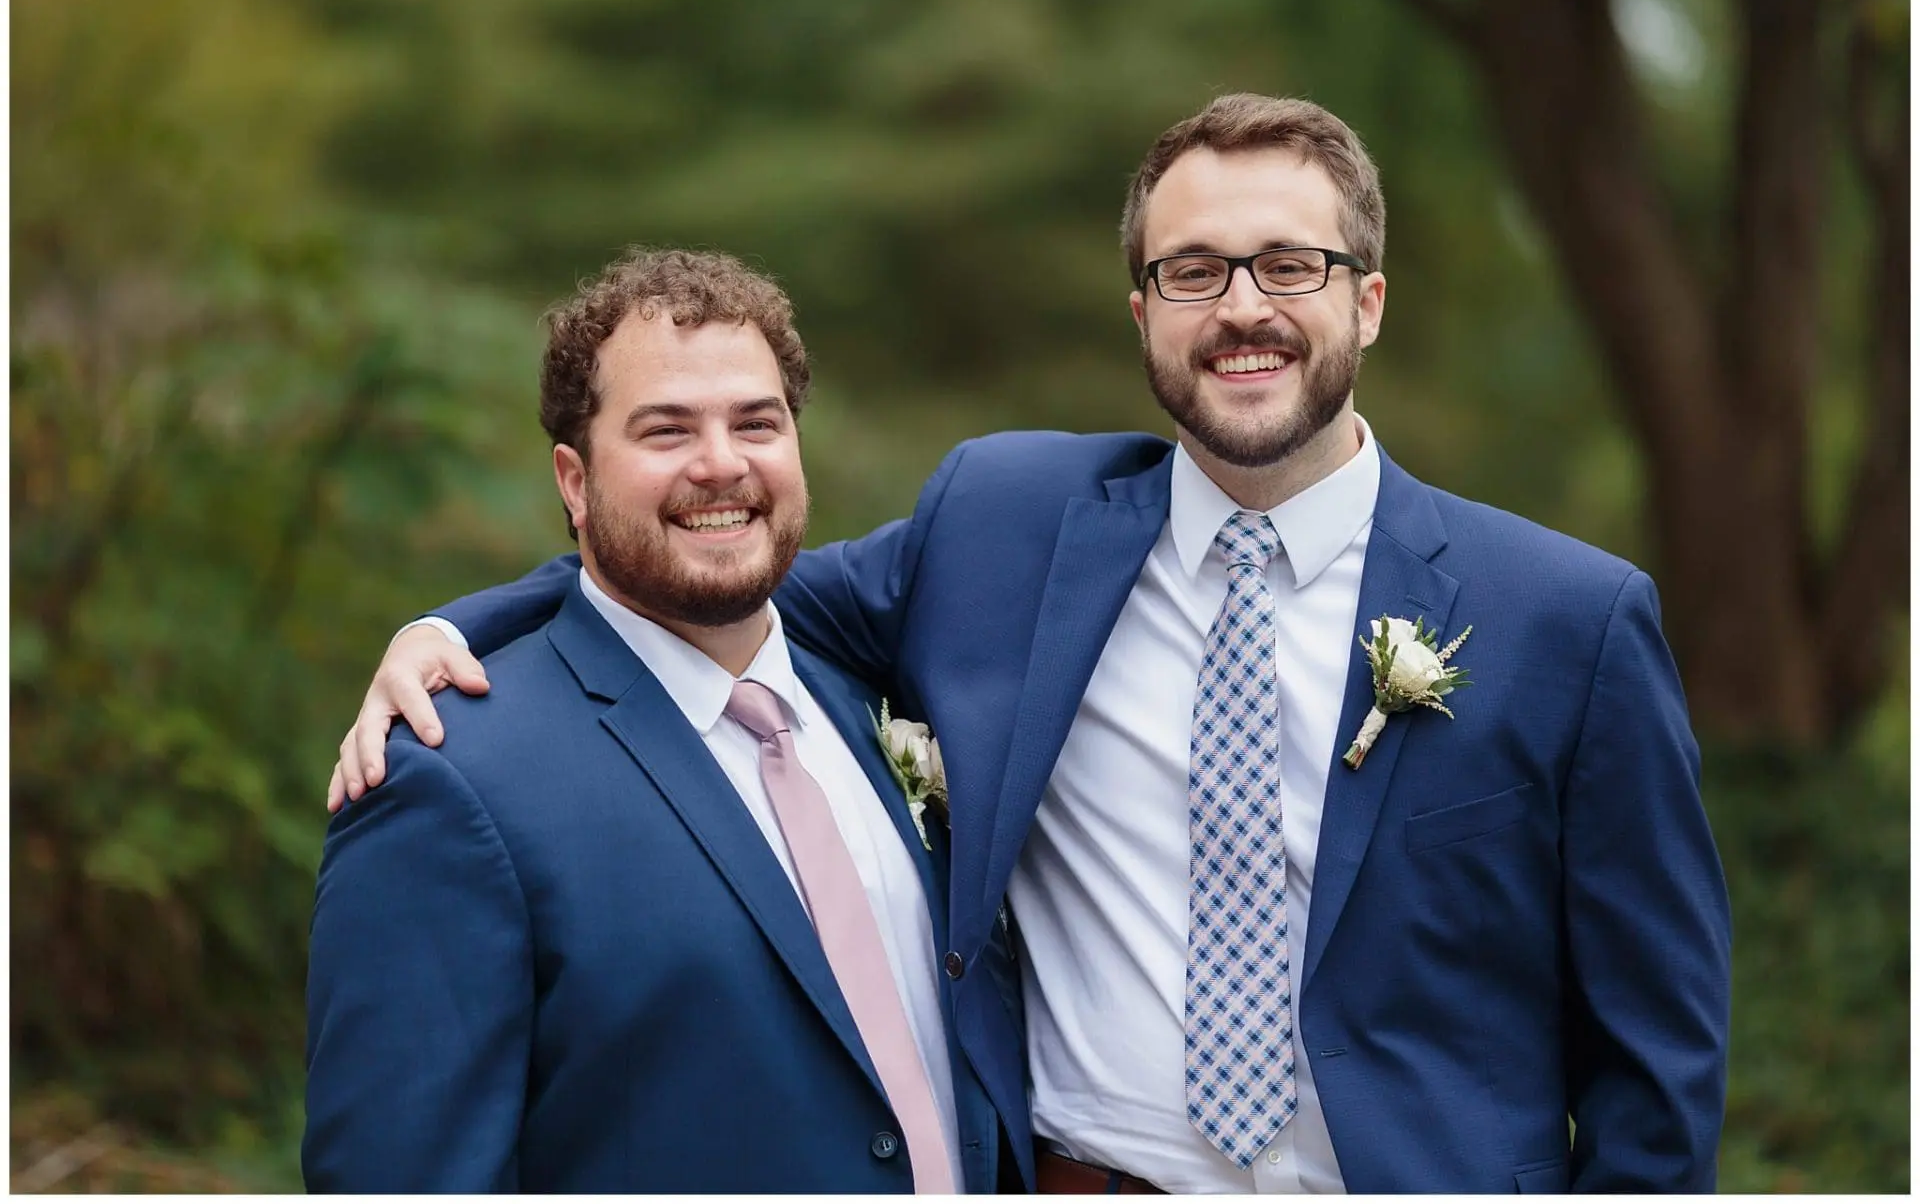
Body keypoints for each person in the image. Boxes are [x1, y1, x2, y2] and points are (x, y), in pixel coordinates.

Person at [330, 95, 1732, 1193]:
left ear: (1366, 298)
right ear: (1142, 313)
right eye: (1192, 270)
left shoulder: (1567, 617)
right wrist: (460, 624)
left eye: (1290, 264)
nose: (1241, 305)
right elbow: (713, 571)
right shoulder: (1005, 525)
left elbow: (1656, 1059)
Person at [303, 249, 1021, 1192]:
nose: (721, 464)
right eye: (666, 430)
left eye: (755, 423)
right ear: (574, 480)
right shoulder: (451, 780)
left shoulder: (872, 701)